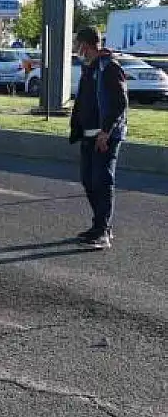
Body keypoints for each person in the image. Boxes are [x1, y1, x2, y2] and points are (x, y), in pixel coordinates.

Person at [69, 26, 127, 250]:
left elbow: (120, 103)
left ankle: (103, 232)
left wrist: (106, 131)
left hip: (105, 137)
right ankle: (99, 226)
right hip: (88, 135)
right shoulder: (89, 68)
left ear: (85, 45)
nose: (76, 49)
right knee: (88, 181)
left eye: (77, 44)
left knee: (102, 182)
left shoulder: (109, 67)